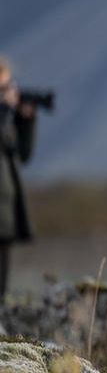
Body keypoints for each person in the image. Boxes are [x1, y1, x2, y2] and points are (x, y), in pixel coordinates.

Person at [0, 56, 38, 300]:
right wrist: (4, 111)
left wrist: (26, 121)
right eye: (2, 88)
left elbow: (22, 154)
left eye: (8, 85)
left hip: (5, 213)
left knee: (2, 287)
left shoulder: (5, 121)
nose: (8, 92)